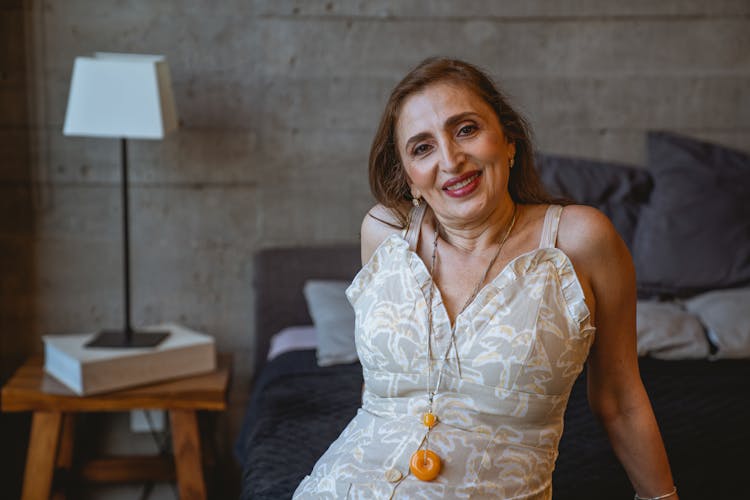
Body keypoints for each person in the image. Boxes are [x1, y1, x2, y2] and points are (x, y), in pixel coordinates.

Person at [294, 57, 677, 500]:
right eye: (422, 148)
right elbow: (380, 390)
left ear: (509, 142)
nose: (451, 160)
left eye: (466, 130)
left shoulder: (580, 240)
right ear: (409, 179)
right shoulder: (384, 232)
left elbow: (619, 397)